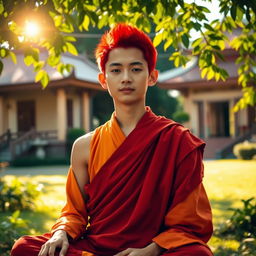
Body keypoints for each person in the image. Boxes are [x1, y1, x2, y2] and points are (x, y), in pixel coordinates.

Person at [11, 23, 213, 256]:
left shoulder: (178, 141)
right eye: (116, 70)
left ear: (152, 76)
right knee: (24, 248)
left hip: (152, 248)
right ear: (103, 80)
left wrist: (152, 250)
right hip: (97, 248)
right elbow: (74, 212)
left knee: (197, 254)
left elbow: (188, 218)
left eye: (136, 69)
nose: (126, 78)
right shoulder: (85, 146)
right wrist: (61, 233)